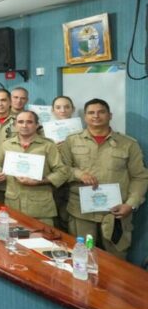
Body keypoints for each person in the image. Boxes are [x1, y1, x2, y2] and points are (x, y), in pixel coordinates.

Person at [61, 99, 148, 259]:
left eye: (101, 112)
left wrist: (131, 205)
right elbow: (62, 169)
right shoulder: (71, 141)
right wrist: (79, 174)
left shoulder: (128, 144)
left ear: (110, 115)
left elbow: (140, 177)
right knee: (83, 259)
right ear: (85, 117)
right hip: (81, 212)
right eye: (91, 113)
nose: (96, 116)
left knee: (117, 263)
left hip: (115, 213)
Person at [0, 111, 70, 227]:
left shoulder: (48, 145)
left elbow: (62, 172)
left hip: (40, 208)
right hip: (13, 204)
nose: (24, 125)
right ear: (15, 125)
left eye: (29, 122)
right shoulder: (7, 145)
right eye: (20, 122)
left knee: (41, 243)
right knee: (13, 242)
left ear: (37, 125)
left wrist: (39, 181)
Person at [51, 95, 76, 231]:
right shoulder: (43, 132)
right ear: (53, 110)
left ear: (73, 109)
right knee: (56, 218)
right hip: (54, 182)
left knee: (70, 220)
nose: (63, 110)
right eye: (58, 107)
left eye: (67, 107)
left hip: (74, 181)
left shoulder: (82, 130)